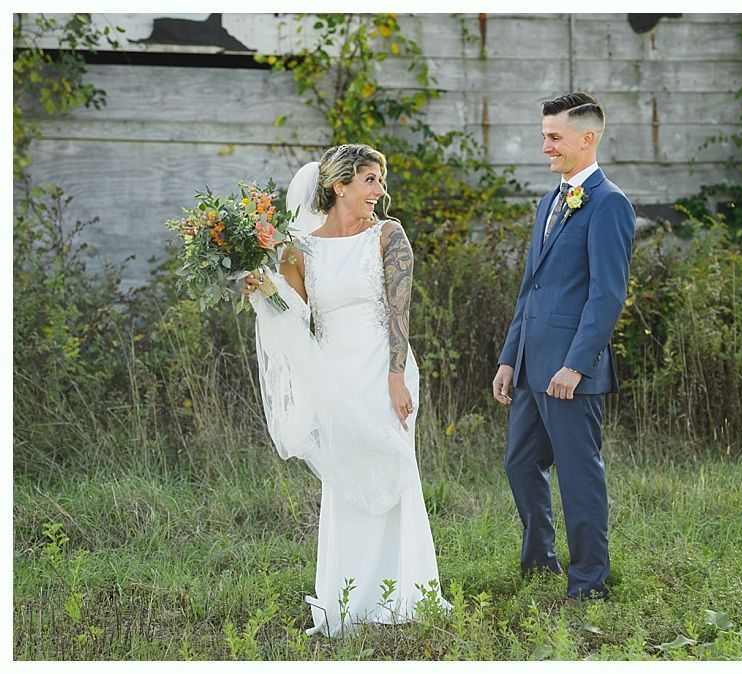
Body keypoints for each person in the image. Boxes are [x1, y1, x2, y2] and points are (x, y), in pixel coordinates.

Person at [243, 144, 448, 636]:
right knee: (345, 479)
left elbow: (400, 311)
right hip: (334, 375)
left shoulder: (388, 235)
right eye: (370, 180)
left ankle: (405, 594)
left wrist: (396, 375)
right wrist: (262, 290)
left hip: (384, 369)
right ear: (340, 186)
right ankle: (350, 601)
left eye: (380, 180)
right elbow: (294, 314)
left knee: (393, 469)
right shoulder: (300, 249)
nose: (380, 190)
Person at [492, 93, 636, 600]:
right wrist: (509, 357)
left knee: (578, 475)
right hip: (530, 363)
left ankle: (590, 581)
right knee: (520, 463)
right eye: (544, 136)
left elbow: (607, 294)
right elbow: (530, 288)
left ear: (586, 138)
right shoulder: (549, 202)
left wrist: (576, 364)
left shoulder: (610, 204)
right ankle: (539, 563)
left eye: (554, 137)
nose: (545, 146)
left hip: (570, 371)